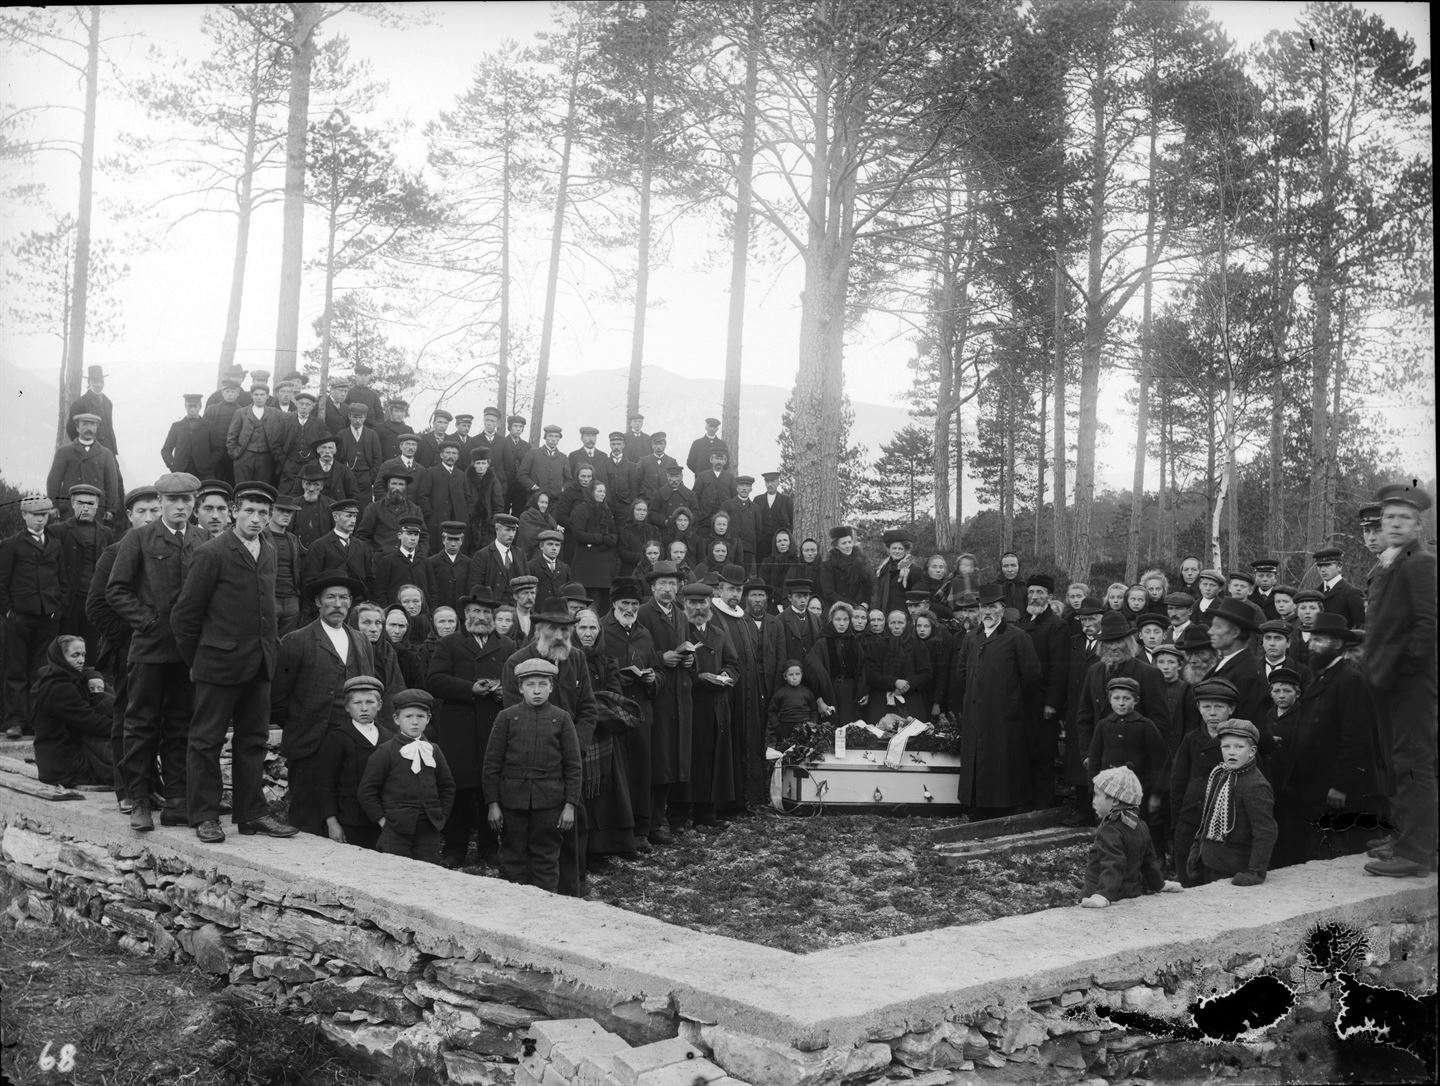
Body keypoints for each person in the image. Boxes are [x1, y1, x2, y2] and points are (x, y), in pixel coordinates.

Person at [170, 480, 298, 843]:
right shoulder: (213, 552)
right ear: (233, 513)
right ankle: (205, 815)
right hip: (217, 665)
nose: (256, 519)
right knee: (206, 741)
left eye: (263, 513)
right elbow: (185, 616)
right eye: (249, 512)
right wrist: (201, 658)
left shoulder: (269, 550)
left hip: (259, 665)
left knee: (254, 740)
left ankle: (252, 813)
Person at [106, 473, 206, 828]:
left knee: (181, 724)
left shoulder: (203, 539)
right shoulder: (139, 538)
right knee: (141, 723)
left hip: (187, 653)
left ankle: (177, 798)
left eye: (187, 501)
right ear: (161, 502)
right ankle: (140, 799)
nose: (181, 507)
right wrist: (146, 622)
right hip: (149, 649)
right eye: (174, 501)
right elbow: (116, 590)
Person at [498, 600, 597, 895]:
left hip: (569, 763)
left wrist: (574, 748)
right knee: (527, 835)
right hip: (530, 767)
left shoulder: (576, 658)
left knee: (571, 826)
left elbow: (588, 709)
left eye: (565, 629)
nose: (559, 635)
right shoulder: (517, 662)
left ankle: (571, 890)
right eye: (553, 628)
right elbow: (512, 716)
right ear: (539, 629)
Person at [1362, 482, 1436, 878]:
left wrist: (1402, 672)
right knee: (1396, 762)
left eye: (1404, 517)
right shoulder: (1390, 560)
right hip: (1388, 681)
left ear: (1417, 524)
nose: (1394, 523)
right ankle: (1408, 836)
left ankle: (1419, 853)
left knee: (1413, 764)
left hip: (1409, 685)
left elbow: (1427, 626)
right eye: (1389, 516)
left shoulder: (1420, 562)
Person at [272, 573, 378, 836]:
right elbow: (277, 698)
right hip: (310, 742)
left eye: (344, 598)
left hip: (351, 742)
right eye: (331, 597)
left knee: (348, 813)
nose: (337, 603)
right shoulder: (296, 641)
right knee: (308, 816)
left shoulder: (361, 640)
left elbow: (369, 685)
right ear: (318, 602)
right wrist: (302, 722)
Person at [427, 591, 514, 868]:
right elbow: (435, 681)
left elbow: (515, 683)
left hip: (493, 725)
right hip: (458, 727)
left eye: (487, 613)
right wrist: (470, 689)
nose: (481, 617)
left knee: (490, 787)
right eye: (476, 612)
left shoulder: (508, 646)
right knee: (460, 789)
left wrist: (502, 693)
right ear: (466, 616)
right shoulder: (450, 644)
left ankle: (490, 847)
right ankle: (455, 848)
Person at [484, 656, 581, 890]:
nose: (536, 691)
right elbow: (491, 765)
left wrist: (570, 806)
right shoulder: (506, 717)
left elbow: (573, 766)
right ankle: (513, 914)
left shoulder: (561, 718)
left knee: (546, 858)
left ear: (551, 687)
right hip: (512, 801)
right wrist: (493, 804)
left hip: (550, 801)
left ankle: (545, 910)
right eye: (530, 685)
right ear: (520, 688)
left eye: (542, 685)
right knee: (512, 856)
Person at [951, 584, 1041, 818]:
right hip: (975, 712)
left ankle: (1004, 805)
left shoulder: (1016, 637)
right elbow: (961, 671)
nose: (988, 612)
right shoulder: (972, 638)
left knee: (1002, 760)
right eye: (984, 607)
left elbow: (1031, 676)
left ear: (1002, 608)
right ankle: (977, 804)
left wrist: (1010, 699)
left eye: (993, 607)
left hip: (1004, 714)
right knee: (977, 757)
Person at [573, 607, 640, 865]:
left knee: (609, 792)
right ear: (573, 630)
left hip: (604, 734)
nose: (587, 633)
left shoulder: (606, 660)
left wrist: (596, 707)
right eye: (582, 627)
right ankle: (587, 849)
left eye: (592, 628)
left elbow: (614, 694)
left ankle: (609, 844)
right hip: (580, 732)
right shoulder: (568, 658)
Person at [359, 688, 456, 862]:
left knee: (428, 871)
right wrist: (383, 822)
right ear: (396, 719)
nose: (414, 722)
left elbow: (447, 786)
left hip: (429, 826)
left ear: (428, 719)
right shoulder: (386, 751)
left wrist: (441, 816)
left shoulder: (433, 750)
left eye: (420, 716)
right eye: (408, 716)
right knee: (396, 873)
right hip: (396, 828)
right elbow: (367, 791)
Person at [600, 577, 661, 849]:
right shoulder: (601, 630)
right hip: (612, 713)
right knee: (615, 773)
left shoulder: (645, 633)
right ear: (614, 603)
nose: (630, 608)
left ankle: (641, 830)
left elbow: (658, 670)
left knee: (641, 770)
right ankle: (616, 834)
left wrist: (653, 679)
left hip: (641, 713)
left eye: (635, 603)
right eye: (625, 602)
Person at [1, 495, 66, 738]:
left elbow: (63, 579)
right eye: (36, 515)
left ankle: (37, 720)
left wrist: (57, 607)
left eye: (44, 515)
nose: (41, 520)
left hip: (47, 616)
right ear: (24, 516)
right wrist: (8, 611)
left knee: (42, 669)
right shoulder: (12, 544)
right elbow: (2, 581)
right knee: (16, 670)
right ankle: (15, 721)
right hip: (20, 617)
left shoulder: (55, 543)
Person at [676, 581, 739, 831]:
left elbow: (734, 664)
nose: (698, 608)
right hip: (690, 703)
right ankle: (680, 815)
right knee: (688, 758)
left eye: (702, 603)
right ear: (685, 604)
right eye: (692, 603)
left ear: (709, 604)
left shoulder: (718, 633)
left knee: (712, 756)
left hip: (715, 704)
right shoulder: (680, 630)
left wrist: (725, 675)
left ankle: (706, 811)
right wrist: (697, 678)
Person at [636, 562, 692, 843]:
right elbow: (637, 652)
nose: (668, 589)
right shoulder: (644, 613)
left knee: (671, 760)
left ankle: (662, 819)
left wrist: (688, 658)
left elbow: (686, 646)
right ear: (653, 587)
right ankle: (651, 824)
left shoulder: (681, 615)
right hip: (655, 696)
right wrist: (661, 658)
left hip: (678, 697)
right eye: (663, 584)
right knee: (655, 761)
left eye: (673, 584)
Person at [1170, 677, 1244, 887]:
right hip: (1191, 821)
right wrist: (1177, 824)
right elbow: (1178, 784)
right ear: (1198, 708)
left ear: (1231, 709)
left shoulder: (1240, 742)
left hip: (1224, 827)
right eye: (1206, 706)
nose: (1212, 713)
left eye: (1219, 707)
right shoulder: (1191, 739)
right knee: (1188, 880)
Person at [1078, 767, 1179, 908]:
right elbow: (1149, 861)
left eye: (1097, 795)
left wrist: (1103, 895)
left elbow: (1113, 864)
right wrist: (1159, 884)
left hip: (1100, 893)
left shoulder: (1110, 829)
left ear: (1114, 801)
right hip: (1132, 893)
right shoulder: (1140, 825)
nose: (1093, 801)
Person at [1192, 719, 1276, 886]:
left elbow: (1266, 831)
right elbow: (1207, 817)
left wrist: (1255, 872)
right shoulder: (1220, 774)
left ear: (1252, 751)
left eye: (1239, 747)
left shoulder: (1255, 784)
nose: (1231, 752)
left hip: (1233, 869)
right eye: (1226, 746)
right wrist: (1196, 850)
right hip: (1210, 862)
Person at [316, 675, 393, 849]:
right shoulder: (338, 738)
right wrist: (332, 822)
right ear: (347, 707)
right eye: (357, 703)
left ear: (379, 705)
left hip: (382, 821)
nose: (364, 708)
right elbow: (326, 783)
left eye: (370, 702)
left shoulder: (388, 738)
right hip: (350, 821)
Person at [30, 634, 114, 788]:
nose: (81, 660)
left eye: (83, 655)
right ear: (60, 657)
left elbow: (87, 671)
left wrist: (94, 676)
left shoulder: (53, 676)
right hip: (64, 765)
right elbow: (91, 721)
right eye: (75, 655)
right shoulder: (60, 688)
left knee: (101, 696)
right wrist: (124, 728)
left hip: (54, 761)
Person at [1087, 676, 1167, 827]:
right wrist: (1094, 791)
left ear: (1136, 701)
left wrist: (1156, 794)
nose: (1121, 703)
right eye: (1116, 698)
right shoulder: (1103, 725)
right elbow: (1095, 760)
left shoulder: (1145, 725)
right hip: (1108, 793)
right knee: (1109, 829)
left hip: (1138, 793)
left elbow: (1159, 762)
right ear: (1110, 700)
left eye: (1126, 698)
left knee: (1136, 829)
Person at [1018, 573, 1069, 809]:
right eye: (1032, 592)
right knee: (1024, 751)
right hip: (1022, 700)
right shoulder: (1022, 623)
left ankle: (1043, 804)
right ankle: (1026, 801)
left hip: (1044, 702)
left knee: (1043, 754)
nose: (1035, 597)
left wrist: (1052, 703)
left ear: (1050, 596)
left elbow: (1060, 669)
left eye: (1040, 593)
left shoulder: (1057, 626)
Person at [1204, 598, 1270, 726]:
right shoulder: (1226, 664)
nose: (1210, 631)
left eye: (1217, 626)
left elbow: (1246, 726)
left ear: (1235, 632)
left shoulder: (1248, 674)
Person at [48, 413, 123, 523]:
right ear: (78, 428)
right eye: (84, 424)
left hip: (96, 509)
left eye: (92, 425)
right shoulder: (64, 452)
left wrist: (110, 509)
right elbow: (54, 480)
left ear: (96, 427)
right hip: (70, 508)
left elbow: (112, 483)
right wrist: (53, 506)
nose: (89, 428)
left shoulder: (106, 454)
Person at [863, 609, 930, 725]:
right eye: (893, 623)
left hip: (911, 699)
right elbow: (871, 673)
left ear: (907, 624)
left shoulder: (917, 645)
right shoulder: (877, 645)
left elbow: (926, 673)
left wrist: (907, 683)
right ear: (887, 625)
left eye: (900, 623)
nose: (897, 626)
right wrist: (894, 682)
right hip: (882, 700)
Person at [805, 600, 865, 726]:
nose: (842, 624)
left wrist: (864, 691)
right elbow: (812, 671)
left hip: (850, 693)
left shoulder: (854, 642)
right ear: (831, 620)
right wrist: (819, 700)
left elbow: (862, 669)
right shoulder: (822, 642)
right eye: (838, 620)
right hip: (830, 691)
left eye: (845, 620)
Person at [225, 376, 290, 486]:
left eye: (262, 395)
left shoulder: (275, 413)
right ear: (251, 396)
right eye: (256, 395)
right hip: (244, 456)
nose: (259, 397)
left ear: (267, 396)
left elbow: (292, 418)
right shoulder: (241, 412)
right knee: (242, 487)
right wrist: (235, 454)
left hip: (265, 457)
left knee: (261, 488)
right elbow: (232, 436)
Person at [569, 481, 618, 614]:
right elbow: (578, 533)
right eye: (599, 491)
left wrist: (605, 540)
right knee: (590, 607)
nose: (602, 494)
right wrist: (601, 539)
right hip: (587, 567)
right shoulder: (581, 509)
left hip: (605, 569)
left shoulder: (607, 511)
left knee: (604, 608)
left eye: (604, 492)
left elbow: (614, 535)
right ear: (591, 492)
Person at [162, 394, 219, 478]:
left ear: (200, 407)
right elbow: (166, 450)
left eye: (195, 406)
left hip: (204, 473)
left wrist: (209, 464)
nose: (192, 410)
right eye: (189, 406)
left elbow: (218, 449)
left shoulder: (209, 426)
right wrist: (172, 465)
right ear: (185, 406)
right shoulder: (177, 426)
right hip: (181, 472)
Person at [767, 660, 821, 748]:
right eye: (791, 674)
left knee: (804, 751)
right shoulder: (780, 693)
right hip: (785, 729)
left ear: (802, 675)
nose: (794, 677)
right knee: (787, 753)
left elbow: (814, 710)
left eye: (797, 674)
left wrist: (812, 724)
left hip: (805, 728)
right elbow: (772, 711)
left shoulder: (807, 692)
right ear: (785, 677)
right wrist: (777, 727)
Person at [66, 365, 119, 453]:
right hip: (90, 452)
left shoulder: (107, 403)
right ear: (89, 382)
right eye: (95, 381)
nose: (99, 385)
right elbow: (71, 428)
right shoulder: (79, 404)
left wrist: (113, 449)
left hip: (109, 451)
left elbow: (109, 428)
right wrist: (84, 448)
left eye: (101, 381)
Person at [819, 525, 873, 609]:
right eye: (844, 543)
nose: (848, 546)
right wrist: (851, 605)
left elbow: (868, 587)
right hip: (839, 609)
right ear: (836, 546)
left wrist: (865, 603)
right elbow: (828, 592)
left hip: (861, 609)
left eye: (849, 542)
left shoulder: (862, 562)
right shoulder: (828, 566)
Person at [1314, 546, 1366, 629]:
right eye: (1319, 566)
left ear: (1339, 566)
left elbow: (1360, 626)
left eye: (1327, 565)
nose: (1323, 570)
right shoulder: (1316, 593)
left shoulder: (1351, 593)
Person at [753, 472, 794, 567]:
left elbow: (791, 522)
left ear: (778, 483)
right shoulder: (757, 500)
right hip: (762, 543)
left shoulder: (786, 500)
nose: (770, 485)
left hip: (780, 542)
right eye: (767, 482)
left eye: (773, 481)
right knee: (762, 567)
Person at [873, 530, 917, 618]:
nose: (897, 551)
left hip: (902, 615)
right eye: (894, 548)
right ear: (889, 550)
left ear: (906, 551)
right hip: (883, 613)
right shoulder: (883, 569)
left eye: (900, 549)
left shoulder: (912, 569)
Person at [692, 448, 736, 522]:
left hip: (724, 517)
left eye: (721, 459)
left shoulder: (730, 477)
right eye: (716, 458)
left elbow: (735, 497)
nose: (719, 461)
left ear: (725, 461)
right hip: (705, 517)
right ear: (711, 460)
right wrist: (698, 513)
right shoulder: (702, 476)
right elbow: (695, 496)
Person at [517, 491, 558, 560]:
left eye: (546, 503)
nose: (544, 505)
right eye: (541, 502)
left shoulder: (549, 518)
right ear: (535, 502)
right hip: (530, 555)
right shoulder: (526, 516)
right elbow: (529, 536)